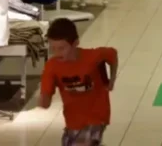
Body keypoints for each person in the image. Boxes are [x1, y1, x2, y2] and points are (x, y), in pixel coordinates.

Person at [39, 18, 119, 146]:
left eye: (62, 48)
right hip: (72, 120)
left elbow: (112, 54)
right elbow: (45, 101)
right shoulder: (52, 66)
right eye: (53, 48)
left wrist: (112, 80)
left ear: (75, 43)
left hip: (96, 116)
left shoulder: (92, 56)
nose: (57, 53)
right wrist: (44, 99)